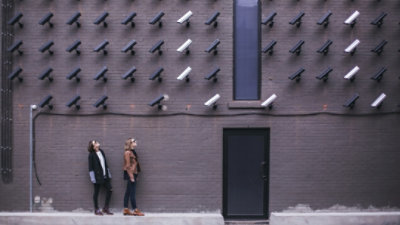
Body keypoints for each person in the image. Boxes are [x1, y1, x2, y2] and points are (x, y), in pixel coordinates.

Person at [88, 140, 113, 215]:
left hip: (105, 176)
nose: (97, 142)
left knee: (110, 189)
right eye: (94, 143)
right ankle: (96, 209)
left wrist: (108, 173)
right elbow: (90, 167)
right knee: (96, 193)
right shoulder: (91, 155)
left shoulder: (101, 152)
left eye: (96, 141)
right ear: (93, 146)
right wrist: (93, 178)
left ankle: (105, 208)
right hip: (97, 177)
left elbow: (105, 163)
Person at [123, 138, 144, 216]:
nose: (135, 142)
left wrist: (136, 174)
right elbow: (128, 166)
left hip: (133, 173)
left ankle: (125, 209)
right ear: (130, 143)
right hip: (130, 173)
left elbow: (135, 164)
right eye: (134, 141)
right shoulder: (128, 153)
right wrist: (132, 176)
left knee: (128, 192)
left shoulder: (132, 151)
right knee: (132, 192)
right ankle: (135, 210)